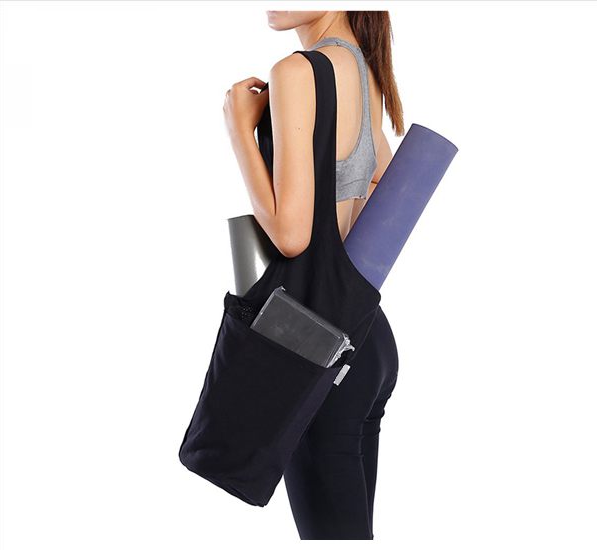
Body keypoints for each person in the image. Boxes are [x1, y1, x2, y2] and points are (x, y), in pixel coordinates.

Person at [222, 10, 404, 540]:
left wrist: (240, 131)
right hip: (367, 343)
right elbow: (381, 179)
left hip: (314, 355)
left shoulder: (297, 72)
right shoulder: (362, 66)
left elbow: (291, 235)